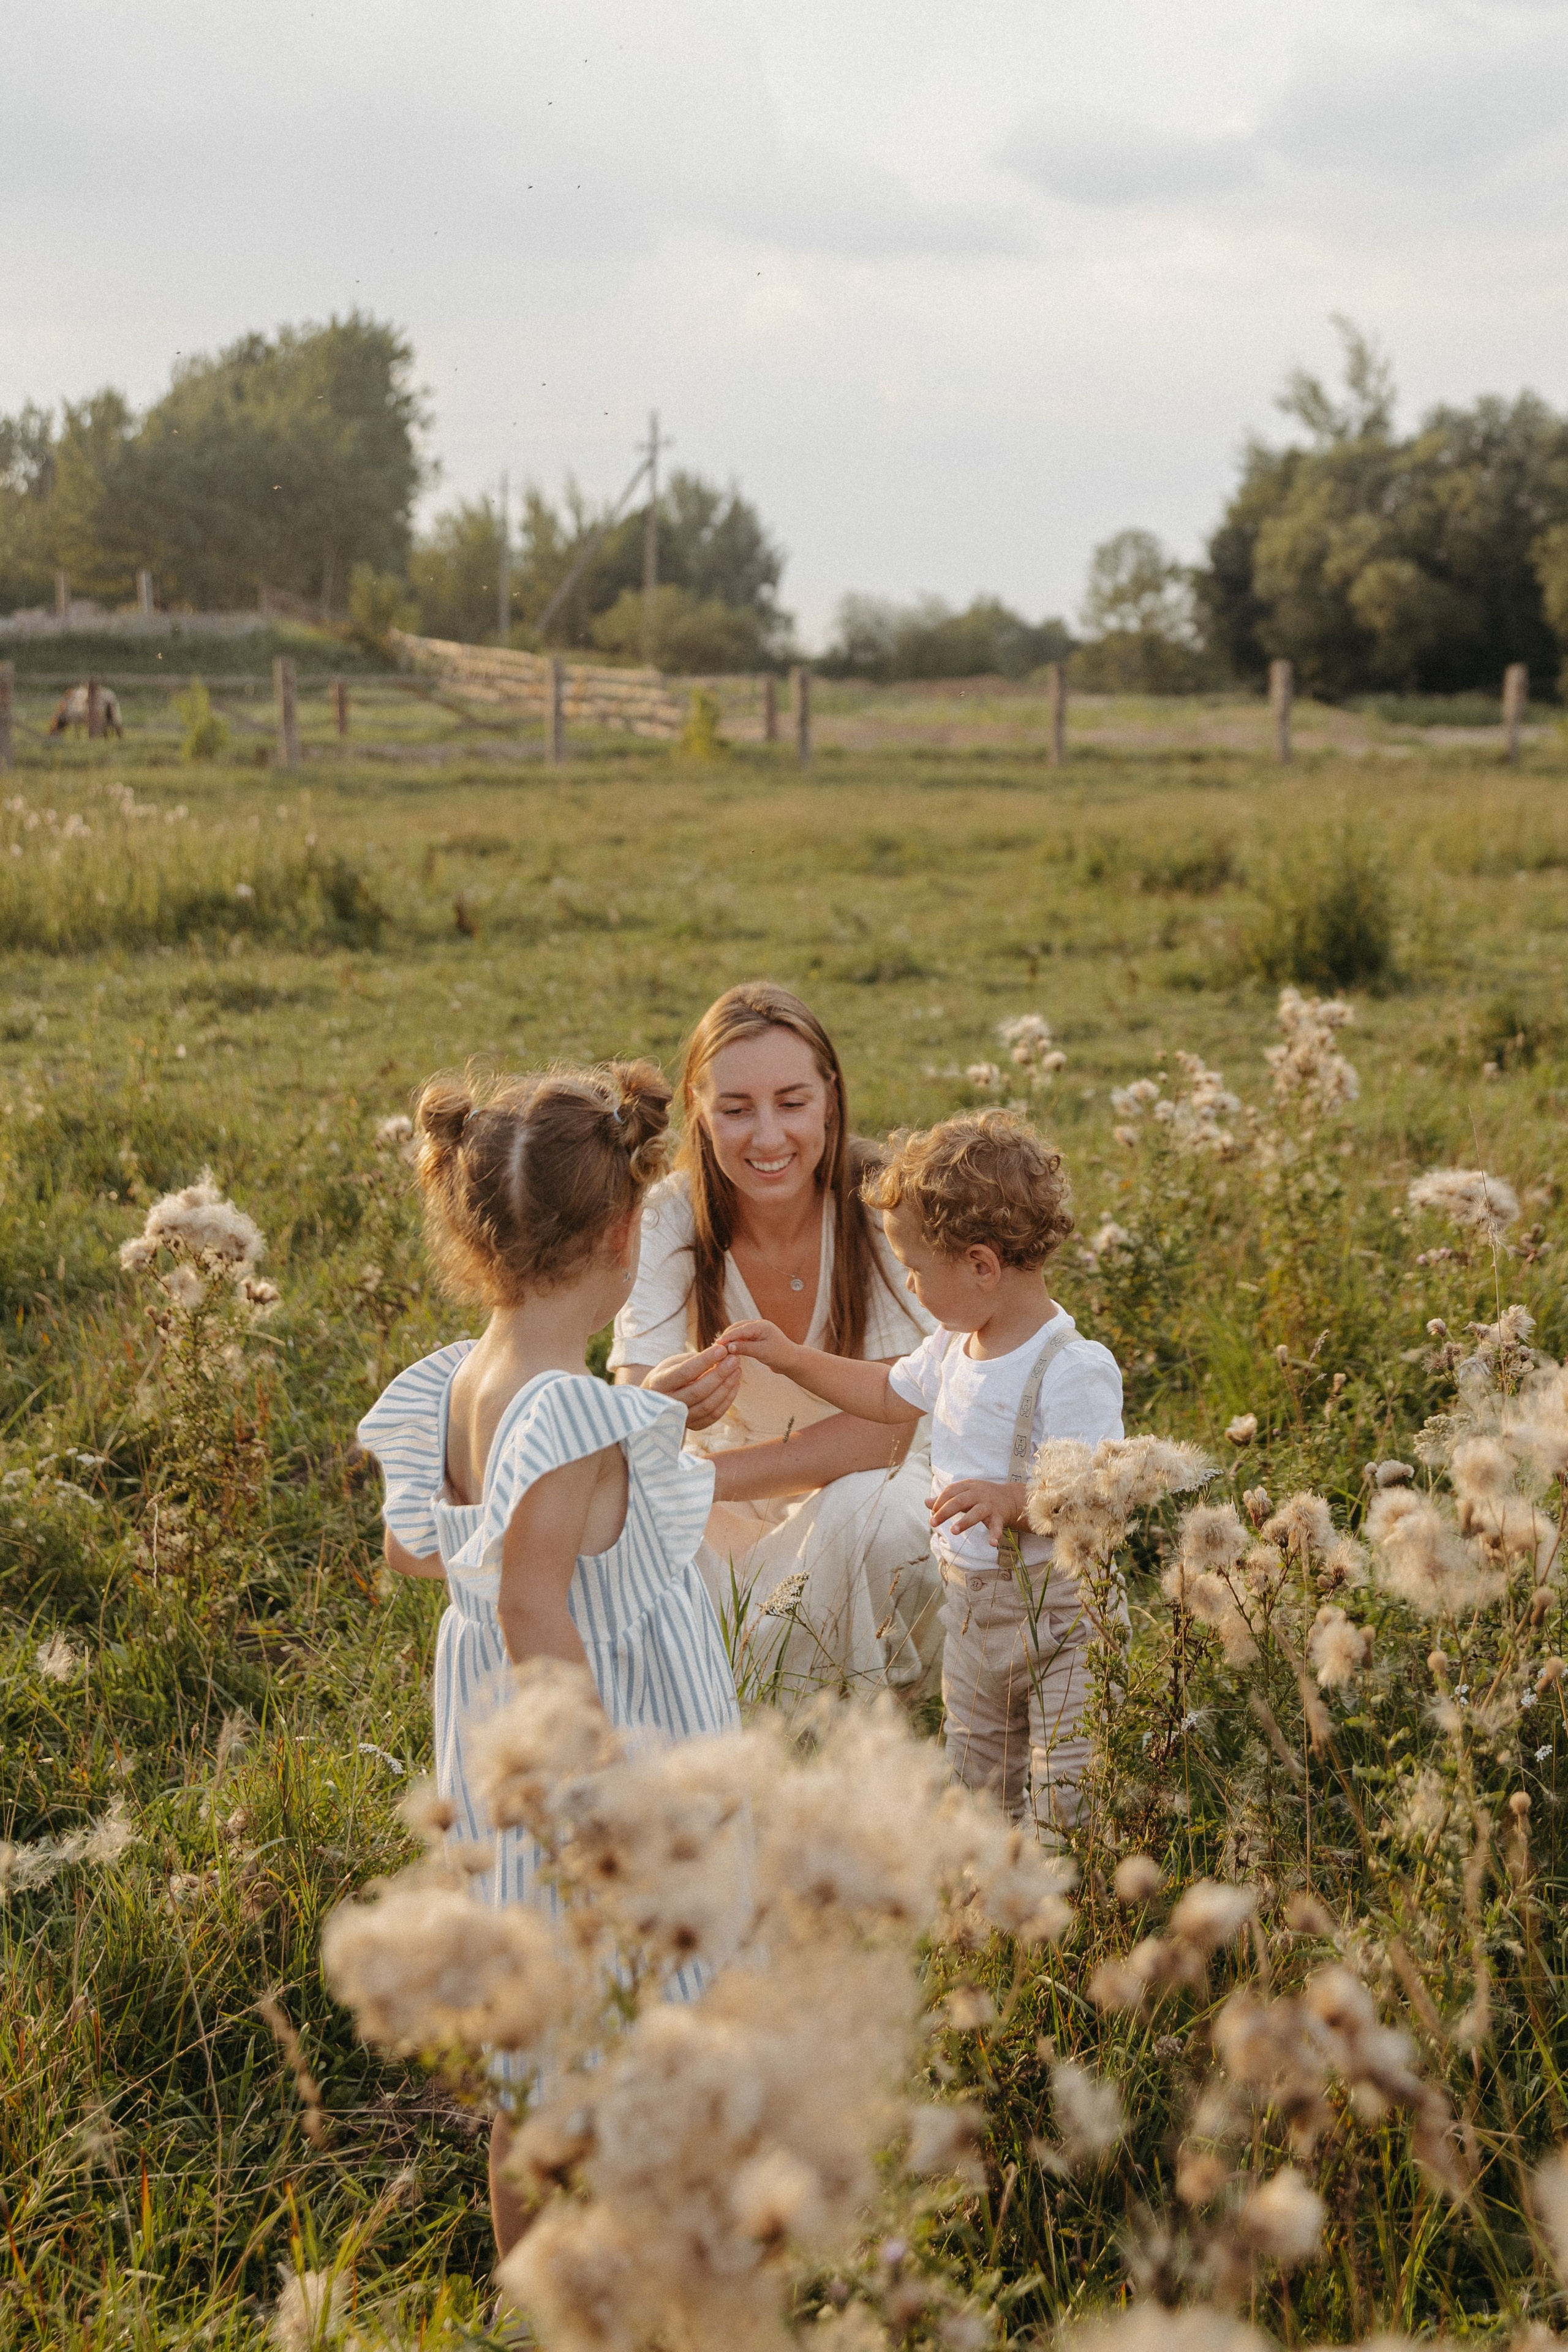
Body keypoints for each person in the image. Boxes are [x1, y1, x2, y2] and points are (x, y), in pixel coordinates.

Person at [355, 1060, 739, 2261]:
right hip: (594, 1741)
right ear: (626, 1231)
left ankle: (528, 2289)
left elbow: (423, 1549)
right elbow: (535, 1604)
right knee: (651, 2016)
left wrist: (648, 1415)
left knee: (536, 2050)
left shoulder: (460, 1382)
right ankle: (663, 2277)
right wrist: (602, 1800)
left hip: (489, 1744)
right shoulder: (570, 1415)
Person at [720, 1107, 1123, 1829]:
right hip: (972, 1611)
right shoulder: (950, 1348)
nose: (908, 1287)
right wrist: (788, 1356)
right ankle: (995, 1907)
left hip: (1063, 1616)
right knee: (978, 1777)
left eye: (914, 1270)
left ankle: (1067, 1901)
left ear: (980, 1265)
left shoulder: (1073, 1368)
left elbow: (1101, 1494)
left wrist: (1012, 1497)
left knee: (1065, 1782)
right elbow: (881, 1393)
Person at [609, 982, 941, 1705]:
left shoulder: (879, 1205)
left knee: (882, 1517)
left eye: (791, 1103)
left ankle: (812, 1714)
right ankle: (753, 1708)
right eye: (735, 1109)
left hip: (858, 1497)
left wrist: (704, 1477)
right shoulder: (669, 1217)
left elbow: (884, 1437)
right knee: (619, 1519)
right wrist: (662, 1402)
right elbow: (632, 1414)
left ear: (829, 1096)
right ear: (698, 1106)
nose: (766, 1137)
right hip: (725, 1516)